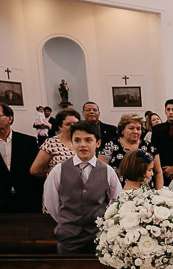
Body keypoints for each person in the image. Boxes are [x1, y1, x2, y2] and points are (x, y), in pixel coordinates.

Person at [43, 121, 121, 254]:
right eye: (77, 140)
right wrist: (68, 222)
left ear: (97, 143)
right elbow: (52, 204)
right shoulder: (59, 170)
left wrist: (104, 220)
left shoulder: (107, 170)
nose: (82, 145)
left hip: (98, 236)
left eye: (88, 140)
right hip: (68, 237)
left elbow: (117, 200)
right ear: (72, 143)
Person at [98, 114, 164, 189]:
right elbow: (101, 172)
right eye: (131, 128)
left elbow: (158, 172)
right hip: (118, 192)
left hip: (146, 193)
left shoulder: (149, 147)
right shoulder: (111, 146)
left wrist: (159, 193)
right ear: (122, 130)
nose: (135, 131)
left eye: (138, 129)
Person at [30, 108, 82, 179]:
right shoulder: (51, 143)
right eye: (68, 124)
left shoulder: (85, 141)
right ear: (60, 126)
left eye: (76, 124)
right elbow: (35, 170)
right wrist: (53, 178)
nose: (73, 127)